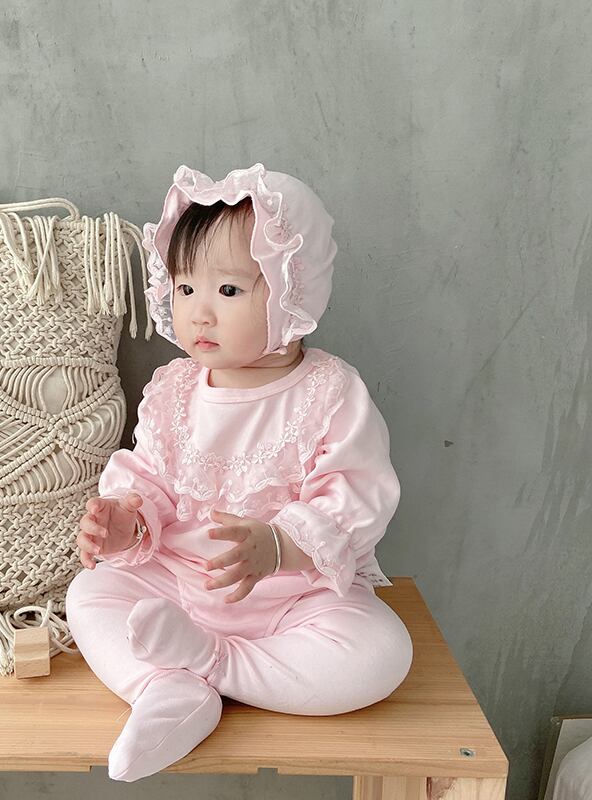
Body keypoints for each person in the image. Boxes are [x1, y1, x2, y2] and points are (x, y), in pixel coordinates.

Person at [65, 162, 413, 783]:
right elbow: (149, 480)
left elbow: (357, 494)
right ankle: (166, 690)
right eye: (185, 288)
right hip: (177, 584)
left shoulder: (329, 392)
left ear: (292, 290)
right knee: (89, 594)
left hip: (289, 602)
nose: (200, 313)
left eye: (228, 291)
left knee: (381, 654)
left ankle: (211, 665)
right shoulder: (175, 389)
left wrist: (279, 545)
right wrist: (125, 522)